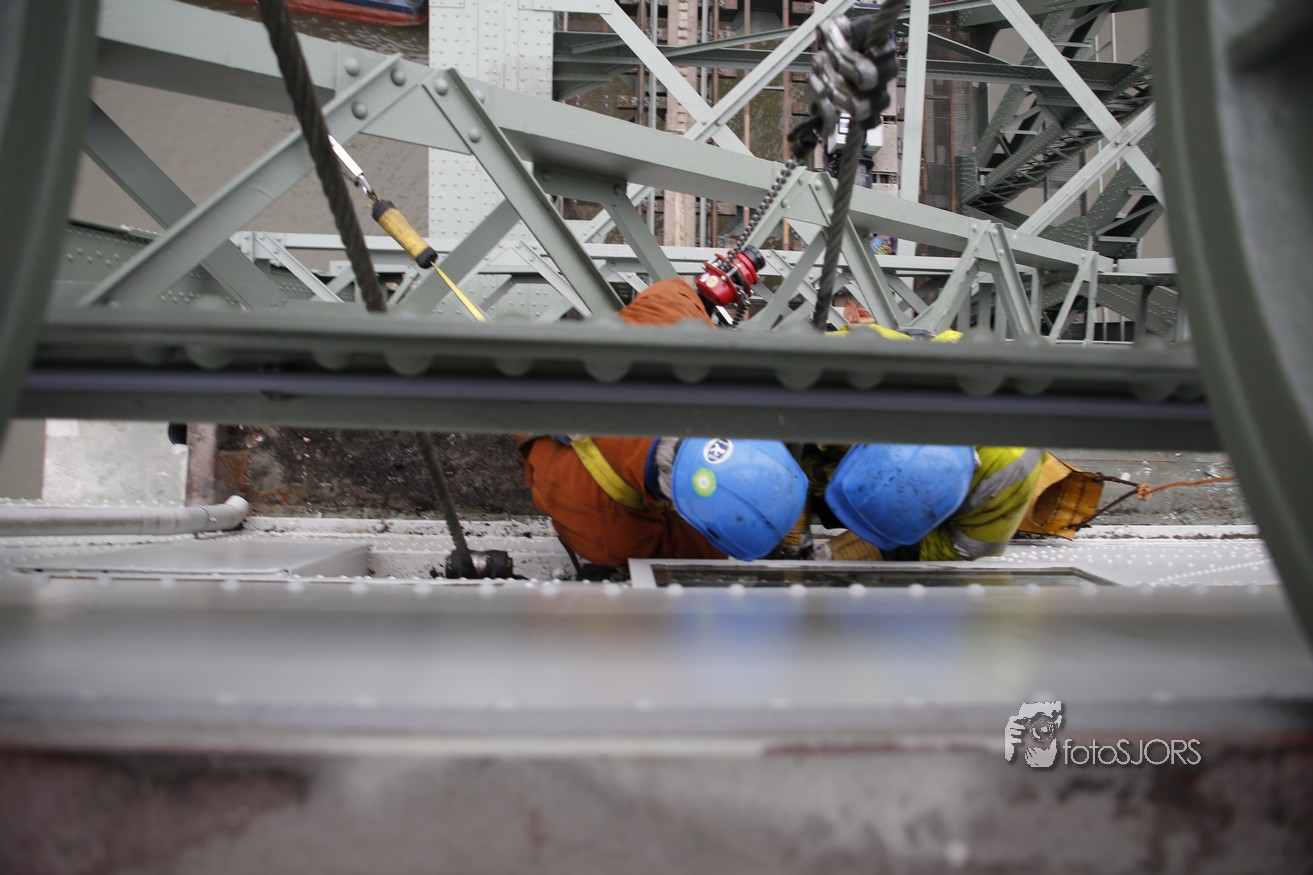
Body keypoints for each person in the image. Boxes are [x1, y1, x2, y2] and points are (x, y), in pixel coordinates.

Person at [518, 279, 808, 567]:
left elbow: (676, 292)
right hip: (549, 443)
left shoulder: (672, 319)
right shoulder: (608, 532)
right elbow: (699, 554)